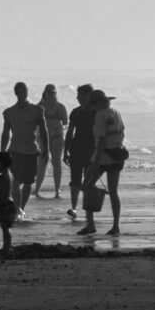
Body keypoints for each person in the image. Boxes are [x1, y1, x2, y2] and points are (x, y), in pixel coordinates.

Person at [84, 90, 127, 237]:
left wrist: (95, 163)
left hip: (103, 157)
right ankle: (116, 226)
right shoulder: (116, 112)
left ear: (98, 104)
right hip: (117, 155)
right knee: (113, 192)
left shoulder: (100, 115)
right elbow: (122, 134)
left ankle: (90, 224)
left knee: (88, 186)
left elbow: (101, 140)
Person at [0, 82, 46, 215]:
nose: (22, 94)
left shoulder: (37, 110)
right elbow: (5, 133)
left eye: (24, 91)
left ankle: (21, 208)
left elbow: (44, 131)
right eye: (19, 92)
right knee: (16, 181)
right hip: (15, 151)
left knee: (28, 182)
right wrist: (2, 152)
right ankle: (17, 209)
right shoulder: (9, 112)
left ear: (27, 92)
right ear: (16, 93)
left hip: (31, 151)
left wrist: (46, 149)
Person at [64, 85, 96, 214]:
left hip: (91, 151)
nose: (78, 98)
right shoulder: (76, 112)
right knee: (76, 179)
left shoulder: (96, 112)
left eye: (80, 95)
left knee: (89, 181)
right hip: (77, 150)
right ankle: (74, 207)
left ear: (88, 95)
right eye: (78, 96)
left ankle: (87, 208)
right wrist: (65, 150)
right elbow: (69, 133)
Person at [37, 85, 66, 198]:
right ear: (45, 93)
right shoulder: (39, 107)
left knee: (57, 163)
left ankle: (57, 189)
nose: (51, 95)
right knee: (42, 163)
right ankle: (38, 188)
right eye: (49, 92)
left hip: (57, 137)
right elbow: (33, 123)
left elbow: (66, 123)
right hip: (43, 138)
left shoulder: (60, 107)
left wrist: (58, 130)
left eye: (53, 93)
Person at [0, 152, 19, 252]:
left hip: (5, 205)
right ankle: (7, 245)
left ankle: (7, 246)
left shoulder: (2, 177)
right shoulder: (10, 175)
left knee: (6, 228)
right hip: (9, 204)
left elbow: (2, 193)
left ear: (3, 164)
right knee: (6, 227)